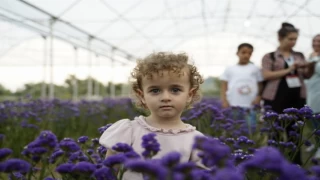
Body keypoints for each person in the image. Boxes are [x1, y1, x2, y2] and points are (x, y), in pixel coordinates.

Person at [99, 52, 205, 180]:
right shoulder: (129, 131)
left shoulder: (196, 140)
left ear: (190, 95)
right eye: (155, 90)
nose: (165, 97)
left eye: (175, 90)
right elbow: (108, 172)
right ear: (142, 96)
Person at [261, 22, 313, 165]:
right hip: (275, 98)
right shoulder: (270, 57)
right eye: (290, 39)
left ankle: (295, 163)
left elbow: (307, 75)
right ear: (280, 38)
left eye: (295, 39)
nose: (293, 42)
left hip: (297, 98)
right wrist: (289, 69)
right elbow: (266, 75)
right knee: (275, 132)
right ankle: (272, 164)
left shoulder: (299, 55)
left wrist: (310, 66)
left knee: (295, 132)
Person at [220, 43, 263, 126]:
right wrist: (224, 101)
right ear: (237, 53)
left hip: (250, 105)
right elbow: (223, 86)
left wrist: (258, 97)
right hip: (233, 104)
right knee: (234, 128)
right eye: (243, 52)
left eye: (249, 53)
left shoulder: (255, 69)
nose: (246, 55)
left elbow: (260, 84)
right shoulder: (230, 69)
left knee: (251, 129)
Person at [306, 34, 320, 157]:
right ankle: (316, 143)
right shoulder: (311, 56)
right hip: (311, 91)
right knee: (313, 119)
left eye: (319, 41)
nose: (316, 43)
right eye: (314, 40)